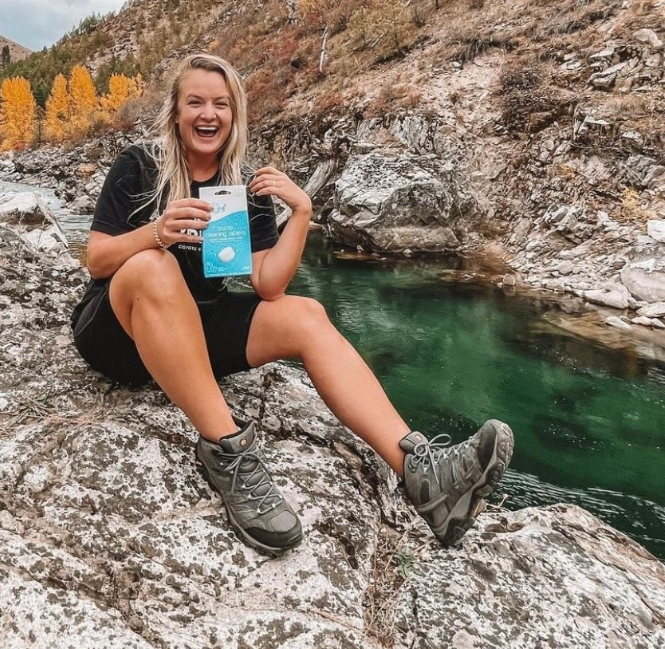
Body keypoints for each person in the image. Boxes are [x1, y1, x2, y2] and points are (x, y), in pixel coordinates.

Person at [70, 53, 514, 556]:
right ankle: (230, 453)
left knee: (307, 314)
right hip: (119, 334)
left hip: (193, 335)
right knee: (154, 266)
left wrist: (301, 211)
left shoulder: (240, 186)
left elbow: (267, 285)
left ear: (235, 115)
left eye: (221, 104)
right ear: (176, 111)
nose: (207, 114)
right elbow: (98, 259)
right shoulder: (141, 165)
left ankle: (423, 473)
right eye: (195, 102)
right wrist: (155, 233)